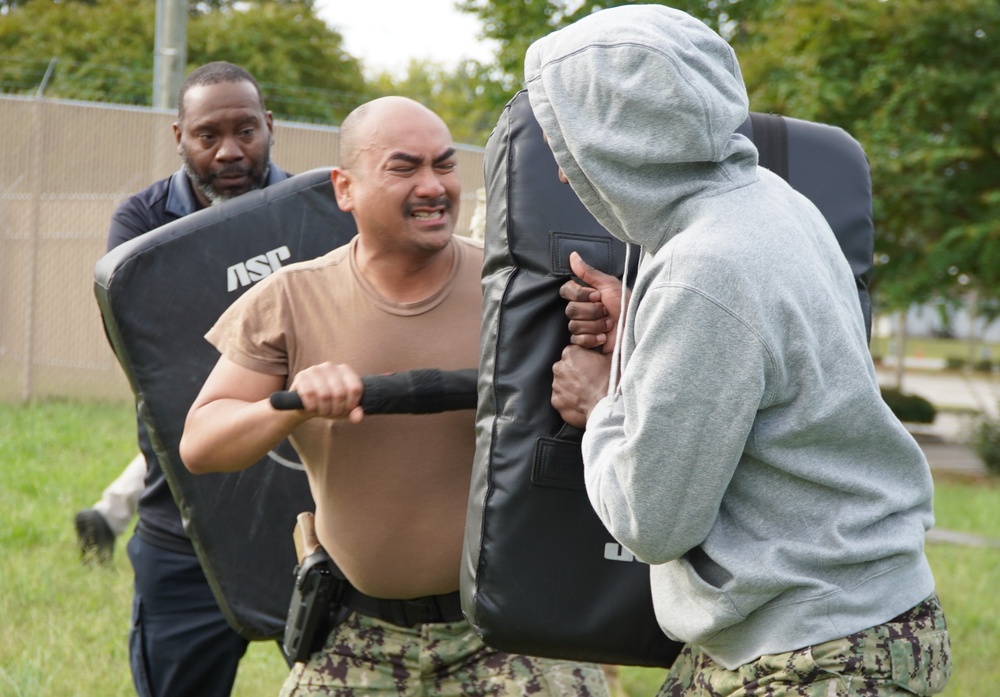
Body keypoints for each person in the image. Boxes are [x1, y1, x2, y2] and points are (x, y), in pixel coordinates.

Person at [530, 5, 952, 696]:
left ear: (624, 140)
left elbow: (651, 521)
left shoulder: (706, 269)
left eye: (571, 142)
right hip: (831, 614)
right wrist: (642, 322)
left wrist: (604, 400)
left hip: (817, 650)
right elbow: (759, 354)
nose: (564, 172)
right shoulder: (770, 200)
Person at [179, 95, 609, 696]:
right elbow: (201, 444)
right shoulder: (289, 300)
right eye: (404, 168)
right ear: (345, 187)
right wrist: (293, 404)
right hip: (359, 637)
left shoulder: (521, 292)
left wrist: (605, 349)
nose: (433, 186)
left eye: (445, 164)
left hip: (510, 631)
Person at [92, 61, 289, 696]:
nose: (230, 150)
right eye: (208, 135)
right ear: (179, 136)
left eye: (246, 130)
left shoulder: (315, 207)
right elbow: (155, 360)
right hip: (188, 507)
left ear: (270, 128)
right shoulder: (141, 230)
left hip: (315, 502)